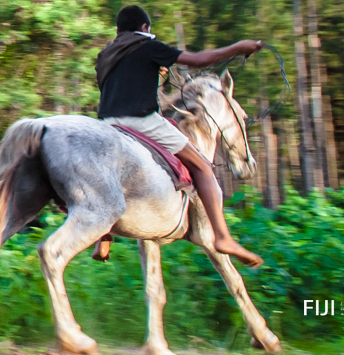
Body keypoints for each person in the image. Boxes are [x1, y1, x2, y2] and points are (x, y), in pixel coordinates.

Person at [92, 5, 265, 267]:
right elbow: (197, 60)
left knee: (104, 171)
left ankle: (102, 236)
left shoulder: (105, 54)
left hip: (106, 123)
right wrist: (238, 48)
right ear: (144, 28)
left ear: (118, 30)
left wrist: (154, 73)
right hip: (140, 120)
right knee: (203, 168)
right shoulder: (148, 45)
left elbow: (125, 83)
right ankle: (222, 237)